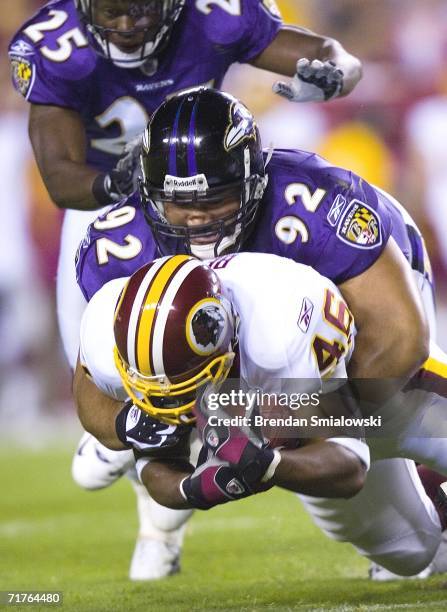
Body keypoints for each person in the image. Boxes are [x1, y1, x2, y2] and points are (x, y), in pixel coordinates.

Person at [8, 0, 362, 580]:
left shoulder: (215, 15)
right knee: (114, 365)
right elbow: (59, 177)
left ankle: (159, 529)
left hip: (211, 205)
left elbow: (330, 57)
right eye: (112, 12)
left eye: (139, 10)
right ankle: (121, 441)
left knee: (207, 349)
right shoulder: (56, 45)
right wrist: (118, 180)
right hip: (114, 209)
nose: (126, 26)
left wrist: (336, 70)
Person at [75, 86, 446, 577]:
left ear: (252, 180)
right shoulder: (117, 249)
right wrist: (130, 427)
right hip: (240, 376)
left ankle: (425, 470)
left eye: (216, 197)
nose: (198, 216)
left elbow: (400, 339)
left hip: (354, 357)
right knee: (410, 553)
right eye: (178, 203)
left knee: (399, 413)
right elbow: (87, 378)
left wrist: (288, 418)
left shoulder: (313, 205)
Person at [74, 252, 446, 578]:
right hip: (273, 410)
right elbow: (109, 420)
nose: (174, 403)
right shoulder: (108, 327)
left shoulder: (278, 333)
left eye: (187, 389)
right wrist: (191, 486)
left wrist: (267, 464)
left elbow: (349, 461)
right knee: (411, 551)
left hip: (376, 389)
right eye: (162, 394)